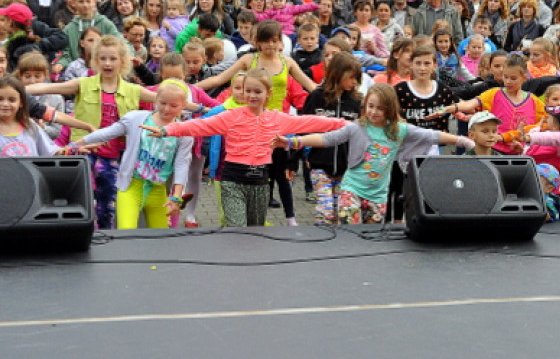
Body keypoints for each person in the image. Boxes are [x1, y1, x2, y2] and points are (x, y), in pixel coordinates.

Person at [147, 68, 346, 227]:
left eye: (257, 92)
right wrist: (167, 130)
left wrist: (344, 124)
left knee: (255, 232)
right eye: (248, 91)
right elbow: (199, 125)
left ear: (268, 94)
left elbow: (310, 122)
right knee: (237, 229)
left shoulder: (276, 119)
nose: (252, 95)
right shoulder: (231, 116)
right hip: (232, 181)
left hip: (260, 183)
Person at [278, 83, 472, 224]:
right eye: (370, 106)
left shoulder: (399, 130)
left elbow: (431, 135)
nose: (374, 112)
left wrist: (460, 140)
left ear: (390, 109)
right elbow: (327, 138)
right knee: (350, 231)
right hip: (352, 189)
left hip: (378, 195)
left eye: (380, 108)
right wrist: (294, 142)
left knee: (371, 238)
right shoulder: (356, 127)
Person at [69, 79, 194, 229]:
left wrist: (176, 196)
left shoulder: (184, 133)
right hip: (131, 187)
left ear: (183, 105)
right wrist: (76, 144)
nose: (166, 109)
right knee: (126, 233)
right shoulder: (136, 118)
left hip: (157, 190)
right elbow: (106, 133)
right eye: (162, 103)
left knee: (161, 237)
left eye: (173, 106)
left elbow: (182, 164)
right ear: (156, 99)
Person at [300, 53, 365, 225]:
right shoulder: (317, 97)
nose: (354, 82)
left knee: (341, 213)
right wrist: (299, 157)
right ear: (338, 74)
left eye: (357, 78)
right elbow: (302, 127)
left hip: (347, 168)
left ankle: (337, 241)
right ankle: (321, 239)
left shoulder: (357, 101)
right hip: (320, 165)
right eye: (351, 77)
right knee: (325, 212)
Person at [443, 53, 546, 155]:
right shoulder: (494, 93)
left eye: (513, 78)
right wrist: (448, 108)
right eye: (505, 77)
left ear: (524, 78)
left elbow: (547, 123)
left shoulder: (533, 101)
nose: (508, 81)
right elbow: (470, 104)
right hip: (493, 150)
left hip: (520, 152)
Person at [0, 74, 57, 157]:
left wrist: (71, 150)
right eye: (0, 99)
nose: (5, 104)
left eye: (12, 100)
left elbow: (51, 151)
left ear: (21, 103)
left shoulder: (30, 126)